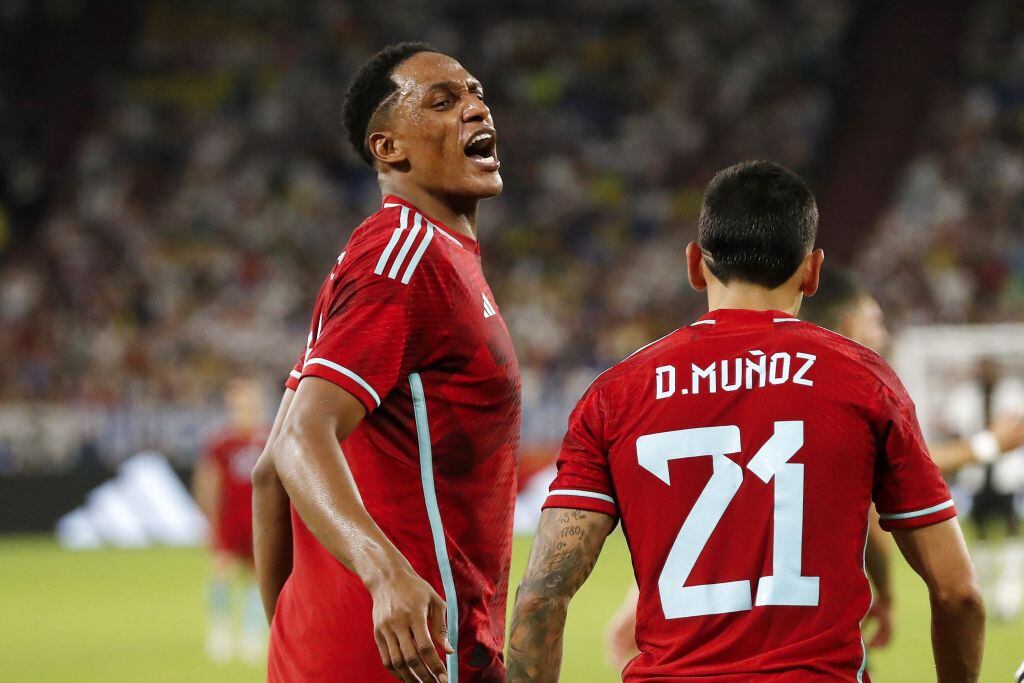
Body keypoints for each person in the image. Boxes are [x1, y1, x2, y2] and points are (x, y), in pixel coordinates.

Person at [508, 160, 984, 682]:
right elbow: (958, 593)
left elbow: (540, 596)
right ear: (812, 270)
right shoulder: (863, 381)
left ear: (695, 265)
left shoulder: (615, 395)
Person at [250, 43, 520, 682]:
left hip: (370, 652)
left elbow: (269, 476)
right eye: (443, 100)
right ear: (388, 148)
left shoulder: (421, 256)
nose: (476, 107)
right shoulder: (403, 257)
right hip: (413, 653)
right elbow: (296, 441)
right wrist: (385, 575)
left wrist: (301, 644)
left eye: (476, 92)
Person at [602, 266, 1024, 669]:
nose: (884, 333)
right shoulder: (848, 387)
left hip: (696, 642)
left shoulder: (682, 383)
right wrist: (988, 445)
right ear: (850, 319)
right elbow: (946, 575)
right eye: (875, 319)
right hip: (810, 648)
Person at [191, 377, 269, 664]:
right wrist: (208, 518)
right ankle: (220, 631)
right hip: (228, 518)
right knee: (220, 572)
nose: (245, 410)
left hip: (259, 520)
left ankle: (251, 633)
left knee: (255, 576)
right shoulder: (221, 442)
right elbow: (207, 480)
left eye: (250, 404)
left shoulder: (268, 437)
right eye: (240, 405)